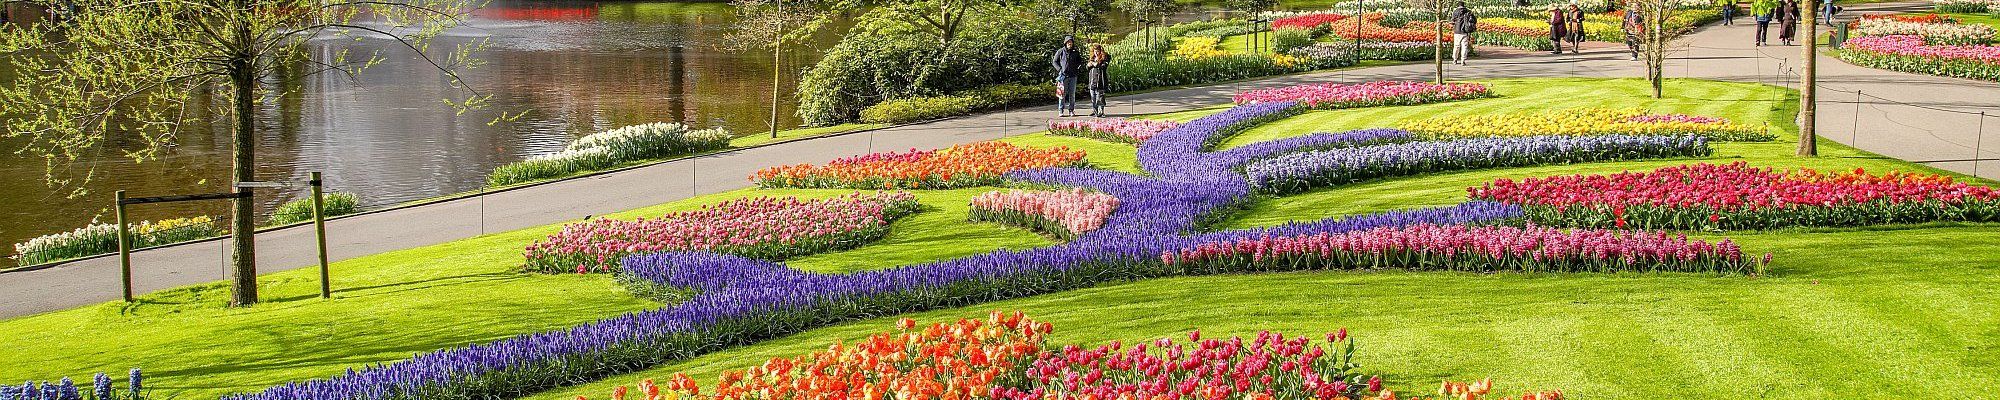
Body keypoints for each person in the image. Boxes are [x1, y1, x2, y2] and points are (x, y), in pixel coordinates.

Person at [1049, 36, 1085, 117]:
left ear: (1072, 43)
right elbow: (1054, 61)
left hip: (1073, 76)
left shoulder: (1075, 52)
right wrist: (1059, 69)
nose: (1069, 43)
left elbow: (1080, 62)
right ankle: (1061, 110)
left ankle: (1071, 110)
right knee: (1062, 94)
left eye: (1071, 42)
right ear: (1065, 43)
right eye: (1068, 42)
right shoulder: (1061, 51)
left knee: (1072, 95)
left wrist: (1077, 68)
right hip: (1063, 76)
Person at [1085, 44, 1111, 118]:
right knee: (1093, 97)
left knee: (1100, 97)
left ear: (1100, 51)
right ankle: (1095, 110)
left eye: (1098, 51)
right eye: (1095, 51)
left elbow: (1104, 66)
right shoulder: (1092, 58)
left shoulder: (1105, 58)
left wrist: (1096, 64)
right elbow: (1087, 67)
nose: (1096, 53)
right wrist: (1089, 65)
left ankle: (1101, 112)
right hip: (1092, 81)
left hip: (1100, 81)